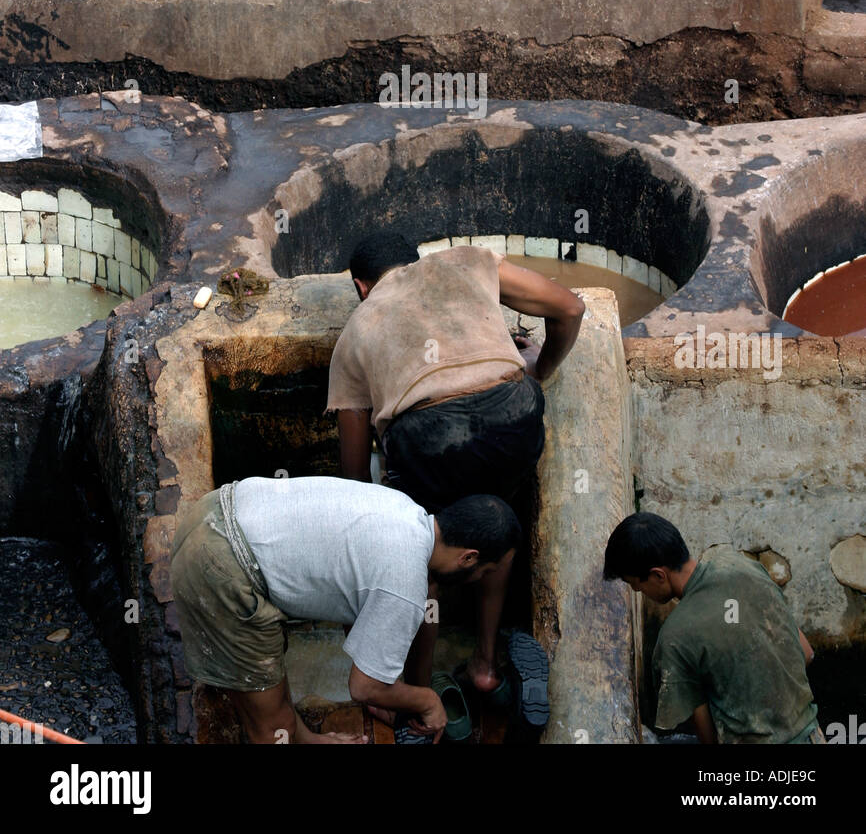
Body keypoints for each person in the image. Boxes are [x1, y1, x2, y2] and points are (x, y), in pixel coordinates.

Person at [327, 230, 584, 703]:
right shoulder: (468, 261)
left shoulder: (355, 331)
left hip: (429, 441)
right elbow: (570, 309)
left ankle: (419, 691)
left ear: (362, 288)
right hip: (513, 413)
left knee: (422, 554)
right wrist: (537, 371)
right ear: (421, 258)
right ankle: (486, 667)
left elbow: (354, 480)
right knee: (495, 527)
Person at [170, 474, 520, 745]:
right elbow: (364, 688)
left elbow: (360, 601)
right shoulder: (406, 583)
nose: (480, 581)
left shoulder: (404, 510)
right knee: (272, 729)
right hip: (222, 568)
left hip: (213, 512)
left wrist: (396, 689)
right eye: (485, 573)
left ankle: (305, 739)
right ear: (469, 558)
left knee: (268, 674)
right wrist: (426, 700)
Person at [603, 512, 823, 745]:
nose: (639, 593)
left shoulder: (674, 637)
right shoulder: (743, 566)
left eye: (636, 586)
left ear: (658, 575)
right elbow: (806, 653)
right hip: (812, 736)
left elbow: (708, 739)